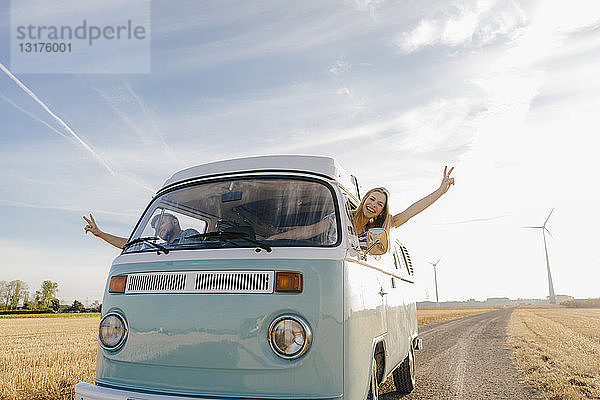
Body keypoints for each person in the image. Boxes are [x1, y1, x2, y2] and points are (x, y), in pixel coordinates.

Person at [268, 166, 455, 242]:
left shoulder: (380, 226)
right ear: (364, 199)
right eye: (372, 199)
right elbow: (308, 231)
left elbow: (411, 211)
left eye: (380, 204)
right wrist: (275, 238)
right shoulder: (340, 218)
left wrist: (440, 191)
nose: (374, 205)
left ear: (382, 211)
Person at [83, 212, 198, 249]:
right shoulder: (161, 247)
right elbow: (130, 245)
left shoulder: (188, 235)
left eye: (162, 223)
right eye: (157, 229)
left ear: (175, 221)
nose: (159, 229)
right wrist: (101, 234)